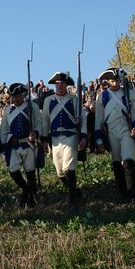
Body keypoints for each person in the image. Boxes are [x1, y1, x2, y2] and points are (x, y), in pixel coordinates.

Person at [94, 68, 135, 202]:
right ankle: (123, 193)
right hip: (111, 131)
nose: (115, 83)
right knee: (116, 162)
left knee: (128, 160)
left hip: (126, 129)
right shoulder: (102, 96)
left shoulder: (129, 93)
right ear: (108, 81)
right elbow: (99, 119)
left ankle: (132, 193)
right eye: (112, 81)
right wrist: (99, 140)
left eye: (117, 80)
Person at [41, 72, 88, 206]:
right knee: (60, 172)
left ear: (66, 85)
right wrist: (44, 139)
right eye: (57, 83)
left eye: (62, 83)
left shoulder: (74, 100)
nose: (59, 85)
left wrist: (83, 136)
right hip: (55, 138)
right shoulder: (48, 100)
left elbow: (83, 120)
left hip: (71, 136)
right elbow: (45, 121)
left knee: (69, 168)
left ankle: (72, 199)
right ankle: (76, 192)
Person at [0, 83, 43, 208]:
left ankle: (31, 197)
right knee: (13, 170)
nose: (15, 99)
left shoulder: (32, 106)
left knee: (30, 171)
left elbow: (39, 124)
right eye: (13, 97)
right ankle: (25, 189)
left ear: (23, 95)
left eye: (18, 96)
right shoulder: (8, 110)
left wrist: (35, 133)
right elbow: (4, 129)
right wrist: (4, 145)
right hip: (13, 144)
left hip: (28, 144)